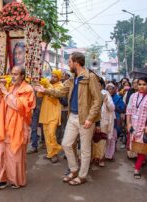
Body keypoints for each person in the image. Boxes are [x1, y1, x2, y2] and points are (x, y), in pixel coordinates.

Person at [34, 52, 102, 186]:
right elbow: (60, 92)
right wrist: (45, 90)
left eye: (69, 61)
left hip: (86, 119)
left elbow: (98, 99)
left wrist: (90, 118)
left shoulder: (91, 77)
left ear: (76, 62)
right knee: (66, 144)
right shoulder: (72, 79)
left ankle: (82, 176)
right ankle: (74, 169)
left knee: (85, 149)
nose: (68, 64)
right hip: (73, 116)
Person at [0, 66, 36, 191]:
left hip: (17, 128)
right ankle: (1, 180)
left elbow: (19, 106)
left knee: (15, 157)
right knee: (1, 155)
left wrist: (5, 92)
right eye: (12, 74)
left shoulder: (28, 89)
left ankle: (17, 180)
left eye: (16, 74)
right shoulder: (10, 88)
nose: (13, 77)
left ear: (22, 76)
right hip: (4, 127)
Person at [126, 77, 147, 179]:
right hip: (133, 126)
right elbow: (129, 110)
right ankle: (140, 161)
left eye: (144, 84)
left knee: (142, 148)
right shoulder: (133, 96)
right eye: (139, 84)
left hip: (144, 127)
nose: (141, 86)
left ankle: (137, 169)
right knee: (135, 146)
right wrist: (128, 123)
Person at [37, 70, 63, 163]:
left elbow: (54, 93)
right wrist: (41, 87)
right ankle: (51, 154)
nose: (53, 78)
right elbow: (39, 95)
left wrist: (47, 85)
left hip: (54, 113)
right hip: (45, 113)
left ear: (59, 78)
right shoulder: (47, 85)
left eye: (55, 76)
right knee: (47, 135)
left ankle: (56, 151)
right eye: (52, 76)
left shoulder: (60, 86)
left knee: (52, 134)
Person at [92, 79, 115, 167]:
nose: (96, 86)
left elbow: (112, 108)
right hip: (92, 121)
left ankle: (101, 158)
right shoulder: (91, 93)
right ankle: (94, 157)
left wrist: (106, 101)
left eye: (98, 84)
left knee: (101, 140)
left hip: (103, 122)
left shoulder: (106, 94)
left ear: (102, 86)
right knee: (93, 140)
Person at [105, 83, 125, 160]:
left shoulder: (118, 98)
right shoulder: (104, 96)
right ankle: (106, 153)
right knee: (106, 136)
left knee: (113, 136)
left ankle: (110, 155)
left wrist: (113, 107)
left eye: (111, 88)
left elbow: (122, 109)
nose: (110, 90)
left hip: (115, 119)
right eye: (108, 89)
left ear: (114, 89)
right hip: (105, 119)